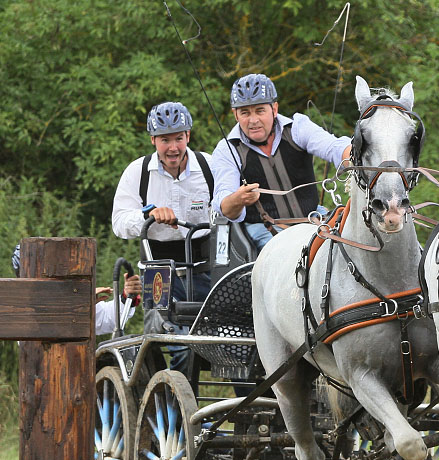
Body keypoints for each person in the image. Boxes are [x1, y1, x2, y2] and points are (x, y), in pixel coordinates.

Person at [210, 73, 352, 249]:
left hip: (314, 217)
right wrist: (238, 199)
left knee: (351, 244)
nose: (253, 120)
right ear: (235, 115)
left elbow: (334, 147)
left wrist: (353, 155)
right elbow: (224, 205)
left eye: (260, 110)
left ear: (274, 109)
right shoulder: (228, 149)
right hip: (263, 229)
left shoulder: (298, 128)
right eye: (245, 112)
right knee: (292, 256)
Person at [112, 101, 214, 303]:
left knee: (213, 329)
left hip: (206, 269)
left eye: (179, 138)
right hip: (157, 272)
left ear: (188, 136)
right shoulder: (137, 171)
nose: (173, 148)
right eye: (165, 140)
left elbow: (227, 213)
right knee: (161, 330)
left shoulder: (209, 166)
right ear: (153, 140)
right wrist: (148, 215)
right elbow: (119, 223)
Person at [12, 244, 140, 336]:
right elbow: (43, 324)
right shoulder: (16, 306)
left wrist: (126, 297)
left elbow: (109, 319)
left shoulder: (67, 294)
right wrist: (78, 303)